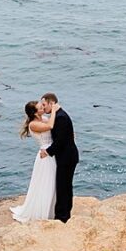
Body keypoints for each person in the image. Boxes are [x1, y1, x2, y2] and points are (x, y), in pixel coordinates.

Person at [11, 100, 57, 222]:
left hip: (52, 152)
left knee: (53, 182)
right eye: (40, 107)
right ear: (36, 113)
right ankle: (42, 212)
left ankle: (52, 209)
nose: (43, 108)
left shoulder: (44, 118)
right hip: (45, 155)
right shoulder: (33, 125)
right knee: (46, 183)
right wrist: (54, 110)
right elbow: (50, 126)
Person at [39, 92, 78, 222]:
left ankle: (62, 217)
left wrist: (47, 152)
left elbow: (60, 141)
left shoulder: (60, 117)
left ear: (52, 103)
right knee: (65, 186)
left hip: (67, 157)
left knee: (63, 187)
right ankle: (64, 214)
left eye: (44, 105)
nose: (43, 108)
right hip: (67, 156)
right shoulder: (59, 115)